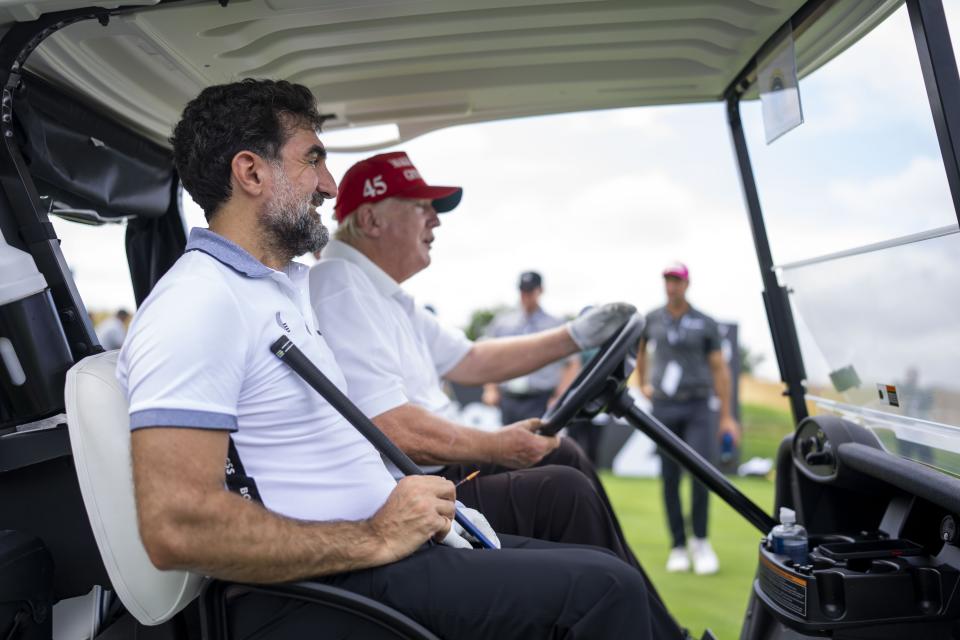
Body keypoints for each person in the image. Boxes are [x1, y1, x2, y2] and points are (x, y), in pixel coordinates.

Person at [119, 78, 681, 640]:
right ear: (251, 173)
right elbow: (177, 527)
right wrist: (376, 534)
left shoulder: (272, 289)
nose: (329, 184)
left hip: (378, 552)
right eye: (313, 159)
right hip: (325, 586)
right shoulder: (198, 303)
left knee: (595, 562)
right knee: (607, 590)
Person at [308, 152, 646, 573]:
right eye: (421, 207)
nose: (436, 220)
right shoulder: (339, 283)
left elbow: (471, 359)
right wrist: (497, 445)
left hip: (434, 472)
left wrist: (574, 336)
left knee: (567, 457)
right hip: (415, 487)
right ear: (373, 221)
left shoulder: (380, 292)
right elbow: (389, 426)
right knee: (566, 489)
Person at [637, 261, 740, 575]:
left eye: (677, 281)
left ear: (686, 284)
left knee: (700, 474)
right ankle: (678, 545)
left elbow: (719, 368)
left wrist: (727, 416)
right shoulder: (652, 318)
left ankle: (701, 541)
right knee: (669, 477)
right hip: (665, 407)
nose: (672, 286)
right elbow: (640, 352)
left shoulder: (705, 322)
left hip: (696, 405)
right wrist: (642, 383)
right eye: (668, 280)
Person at [481, 271, 580, 424]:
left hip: (540, 399)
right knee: (507, 445)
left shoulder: (555, 325)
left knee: (538, 444)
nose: (525, 295)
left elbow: (571, 363)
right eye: (522, 290)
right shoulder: (503, 323)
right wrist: (491, 389)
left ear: (540, 290)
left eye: (530, 290)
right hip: (509, 398)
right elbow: (488, 357)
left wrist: (559, 397)